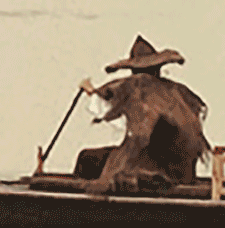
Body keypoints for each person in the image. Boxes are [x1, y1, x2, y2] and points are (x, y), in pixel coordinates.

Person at [78, 36, 211, 196]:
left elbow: (112, 112)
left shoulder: (137, 88)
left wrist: (90, 90)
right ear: (158, 67)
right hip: (182, 171)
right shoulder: (179, 92)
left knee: (86, 158)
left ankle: (84, 201)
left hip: (152, 167)